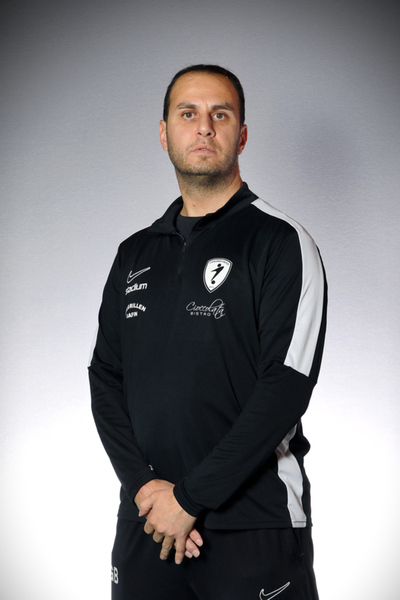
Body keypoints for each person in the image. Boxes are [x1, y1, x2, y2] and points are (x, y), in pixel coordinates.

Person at [89, 64, 327, 600]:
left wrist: (190, 499)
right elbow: (105, 378)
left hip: (253, 524)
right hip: (148, 522)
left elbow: (285, 388)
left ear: (241, 135)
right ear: (164, 133)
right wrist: (146, 490)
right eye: (187, 113)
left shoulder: (281, 242)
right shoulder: (135, 252)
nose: (203, 127)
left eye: (220, 114)